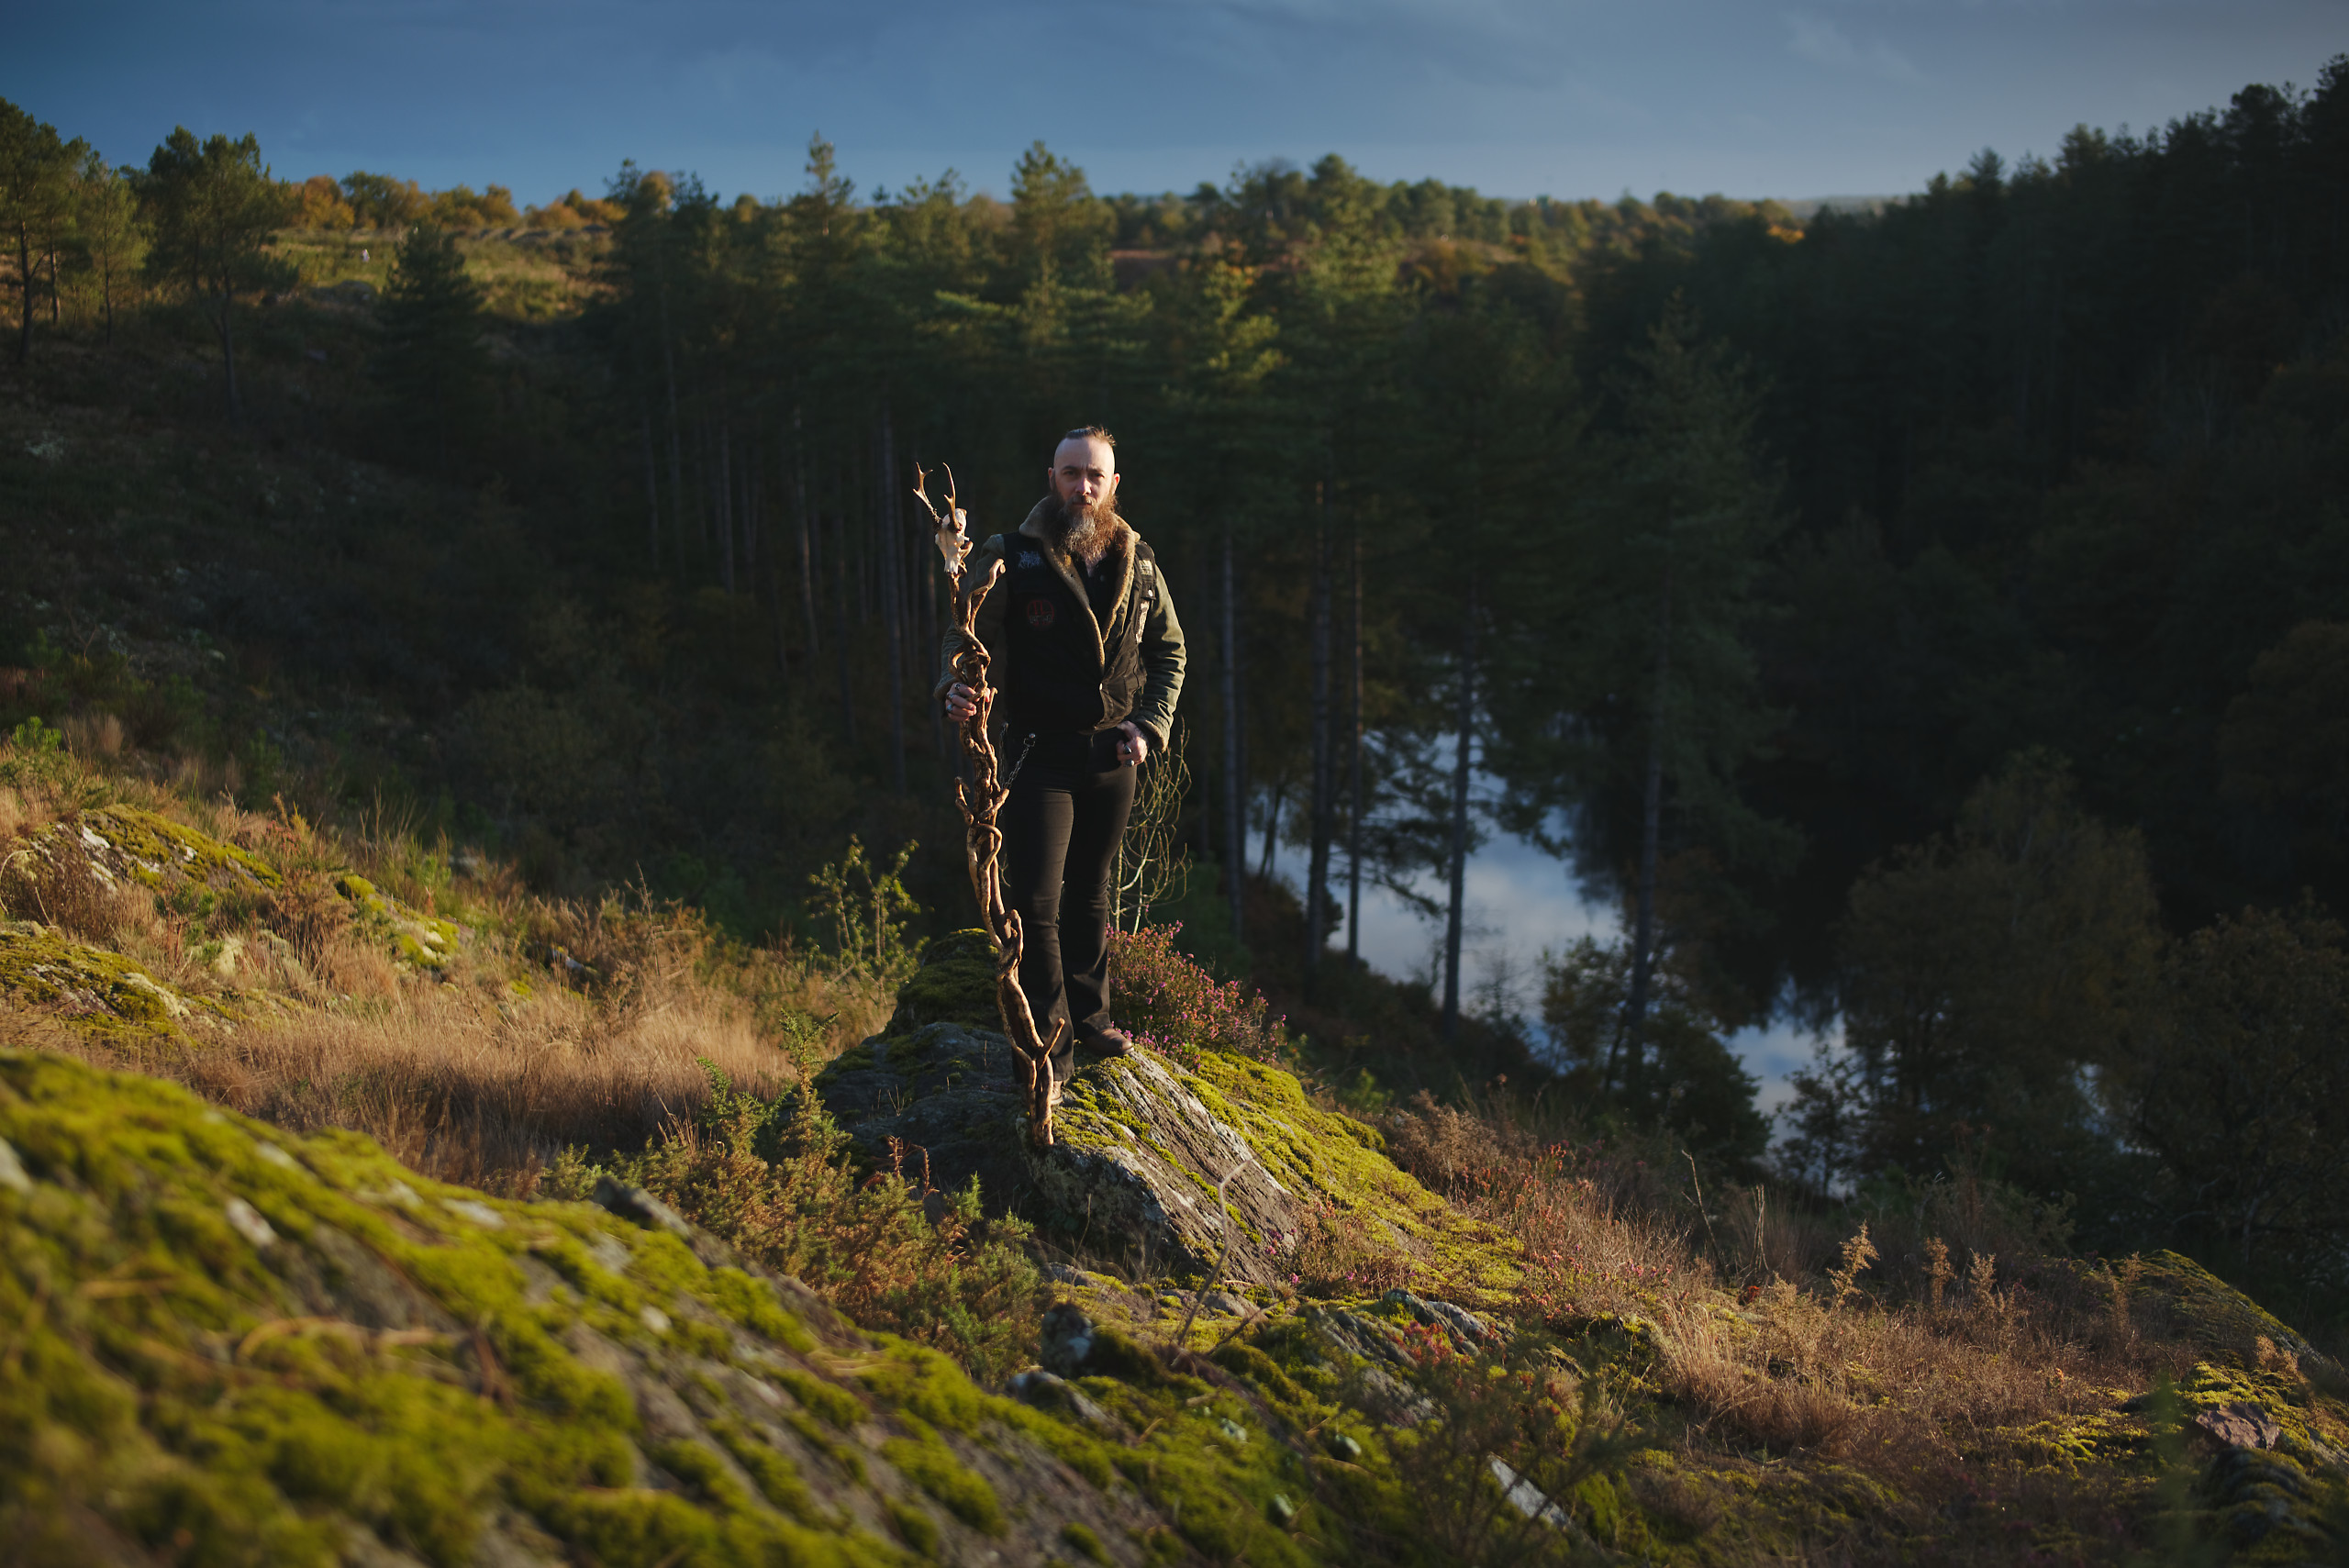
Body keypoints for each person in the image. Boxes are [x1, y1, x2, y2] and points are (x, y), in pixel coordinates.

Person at [941, 427, 1186, 1079]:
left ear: (1113, 484)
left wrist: (1148, 725)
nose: (1083, 486)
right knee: (1037, 902)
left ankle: (1092, 1019)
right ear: (1051, 478)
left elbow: (1170, 652)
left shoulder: (1140, 560)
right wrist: (957, 688)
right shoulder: (1010, 555)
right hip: (1037, 753)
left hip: (1113, 758)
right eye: (1071, 473)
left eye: (1095, 475)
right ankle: (1049, 1045)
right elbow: (966, 640)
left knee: (1091, 892)